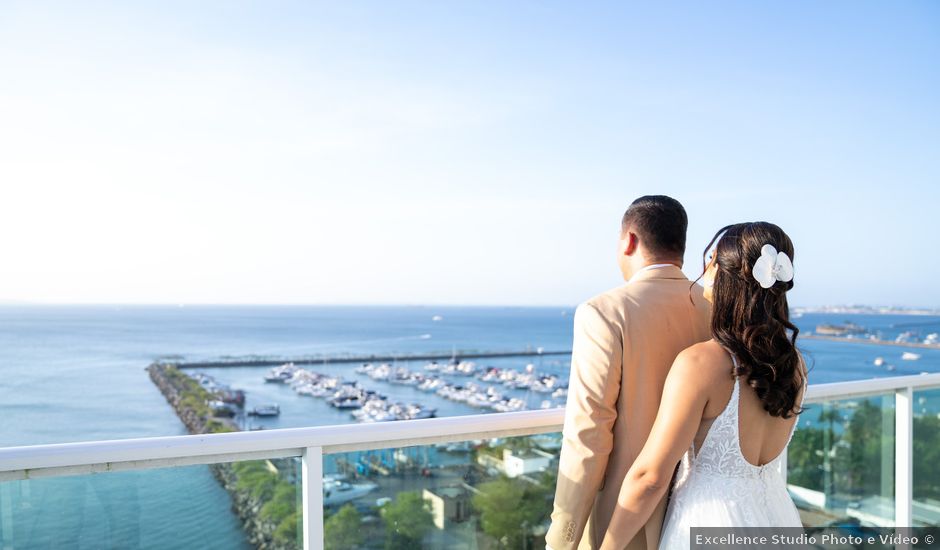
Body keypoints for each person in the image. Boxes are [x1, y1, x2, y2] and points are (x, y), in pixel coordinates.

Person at [599, 222, 807, 550]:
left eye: (709, 259)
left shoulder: (701, 363)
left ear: (723, 273)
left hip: (711, 524)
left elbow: (650, 477)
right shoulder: (795, 365)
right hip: (777, 519)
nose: (703, 269)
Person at [545, 195, 712, 550]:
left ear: (629, 241)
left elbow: (588, 435)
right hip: (700, 507)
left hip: (624, 518)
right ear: (681, 245)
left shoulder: (604, 312)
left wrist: (563, 538)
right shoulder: (716, 308)